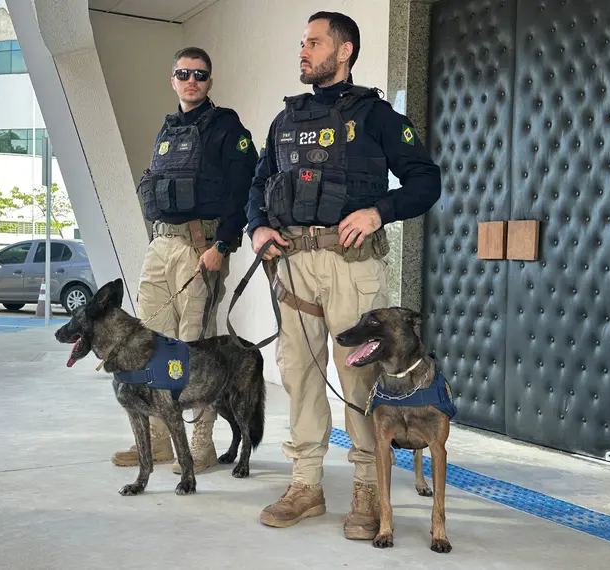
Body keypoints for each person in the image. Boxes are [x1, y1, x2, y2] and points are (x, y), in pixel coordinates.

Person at [245, 12, 442, 539]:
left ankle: (367, 487)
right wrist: (257, 227)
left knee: (359, 376)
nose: (303, 51)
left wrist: (379, 211)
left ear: (344, 50)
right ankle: (305, 485)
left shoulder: (376, 116)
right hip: (293, 264)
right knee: (298, 373)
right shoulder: (285, 120)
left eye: (314, 42)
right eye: (302, 43)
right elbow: (259, 183)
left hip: (351, 266)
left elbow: (425, 181)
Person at [112, 46, 258, 474]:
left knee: (195, 348)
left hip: (200, 247)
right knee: (150, 344)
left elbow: (245, 190)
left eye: (200, 74)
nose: (191, 81)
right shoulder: (168, 130)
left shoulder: (227, 127)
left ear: (210, 81)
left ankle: (200, 444)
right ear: (172, 79)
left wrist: (222, 245)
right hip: (160, 245)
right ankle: (159, 440)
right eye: (183, 73)